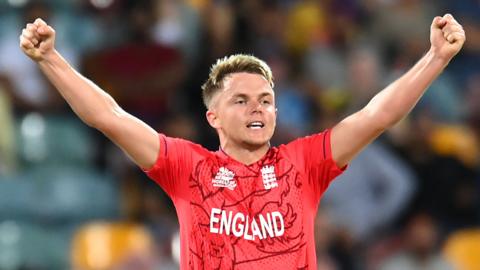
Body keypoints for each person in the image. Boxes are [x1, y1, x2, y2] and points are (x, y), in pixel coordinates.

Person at [19, 13, 465, 269]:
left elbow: (377, 115)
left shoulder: (303, 162)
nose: (257, 109)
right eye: (242, 100)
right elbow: (109, 117)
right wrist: (51, 59)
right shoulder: (187, 167)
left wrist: (436, 57)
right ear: (213, 116)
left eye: (267, 100)